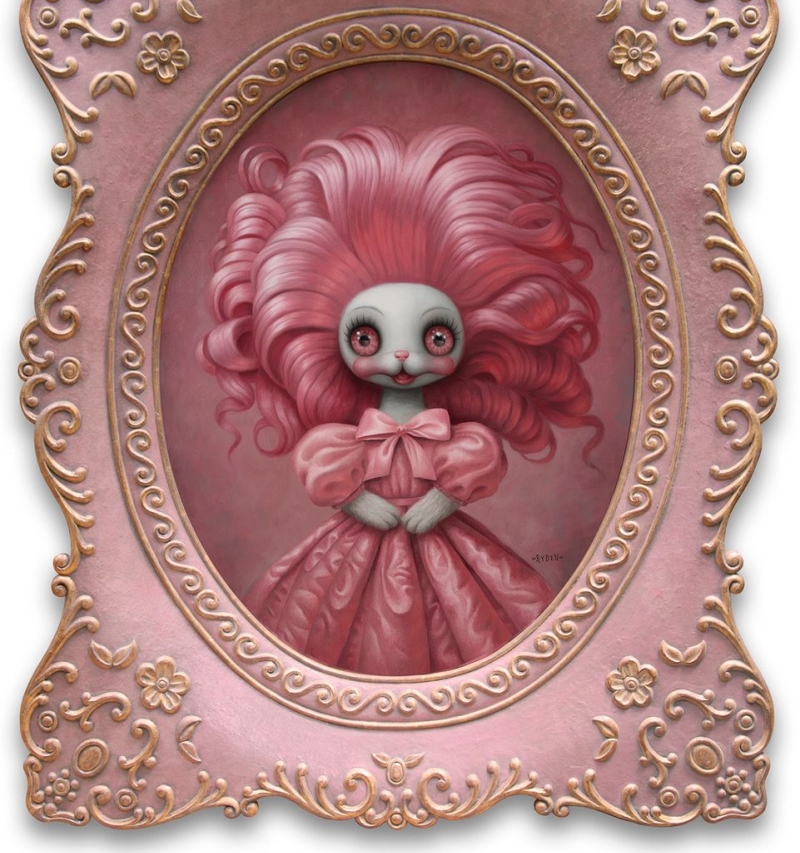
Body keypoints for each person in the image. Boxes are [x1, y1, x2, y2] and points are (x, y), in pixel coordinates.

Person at [199, 125, 601, 676]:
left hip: (439, 539)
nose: (404, 356)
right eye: (369, 338)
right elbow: (329, 475)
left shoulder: (461, 441)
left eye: (434, 337)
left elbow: (473, 467)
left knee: (472, 630)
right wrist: (357, 501)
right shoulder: (342, 443)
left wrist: (444, 500)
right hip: (359, 543)